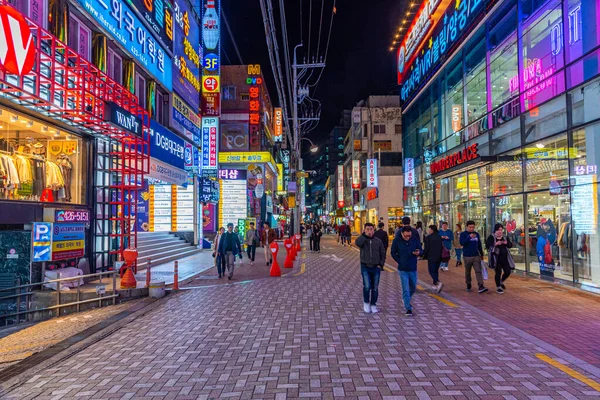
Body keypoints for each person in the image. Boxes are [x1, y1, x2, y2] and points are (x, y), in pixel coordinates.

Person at [355, 222, 386, 313]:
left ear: (374, 229)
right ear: (364, 230)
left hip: (376, 267)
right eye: (367, 229)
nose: (369, 231)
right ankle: (366, 303)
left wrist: (381, 264)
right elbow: (358, 243)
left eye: (371, 229)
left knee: (375, 287)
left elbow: (383, 253)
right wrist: (364, 236)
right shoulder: (363, 240)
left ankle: (373, 304)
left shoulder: (378, 241)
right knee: (367, 286)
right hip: (365, 266)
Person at [391, 226, 422, 316]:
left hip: (413, 267)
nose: (408, 237)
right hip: (402, 268)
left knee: (413, 287)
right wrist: (400, 260)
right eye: (406, 236)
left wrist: (419, 252)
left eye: (409, 235)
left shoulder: (414, 239)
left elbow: (421, 249)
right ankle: (408, 308)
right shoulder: (397, 240)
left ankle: (405, 299)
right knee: (405, 289)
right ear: (402, 233)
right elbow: (393, 252)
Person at [459, 221, 488, 293]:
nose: (472, 229)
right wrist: (469, 237)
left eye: (473, 227)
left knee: (478, 271)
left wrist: (481, 254)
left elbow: (479, 245)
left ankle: (481, 285)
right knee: (468, 271)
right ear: (467, 227)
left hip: (476, 256)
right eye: (470, 227)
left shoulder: (477, 234)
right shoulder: (463, 234)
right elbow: (462, 243)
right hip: (467, 256)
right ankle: (468, 283)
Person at [486, 223, 513, 294]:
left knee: (508, 271)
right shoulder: (492, 237)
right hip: (496, 258)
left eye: (501, 230)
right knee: (498, 272)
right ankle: (498, 287)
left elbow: (510, 245)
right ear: (495, 230)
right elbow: (488, 246)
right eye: (498, 230)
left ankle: (501, 281)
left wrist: (506, 243)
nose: (500, 231)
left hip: (505, 258)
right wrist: (495, 244)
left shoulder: (504, 237)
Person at [423, 225, 443, 293]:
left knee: (431, 271)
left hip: (431, 256)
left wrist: (424, 255)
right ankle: (435, 285)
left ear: (432, 230)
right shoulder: (439, 237)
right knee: (435, 270)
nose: (428, 230)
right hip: (439, 256)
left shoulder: (428, 238)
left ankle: (437, 282)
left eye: (429, 229)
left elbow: (426, 248)